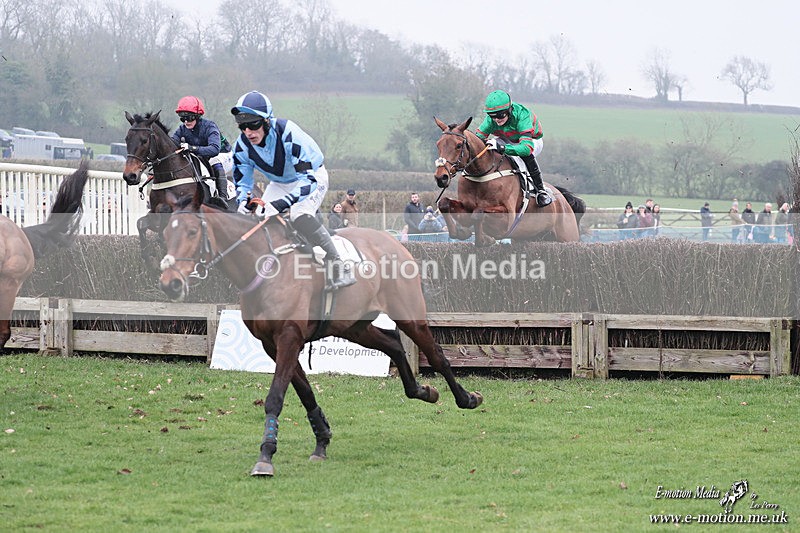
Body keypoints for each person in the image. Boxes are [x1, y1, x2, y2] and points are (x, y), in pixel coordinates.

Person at [230, 90, 354, 290]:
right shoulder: (241, 147)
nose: (248, 132)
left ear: (267, 121)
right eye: (242, 126)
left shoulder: (289, 133)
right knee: (257, 219)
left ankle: (340, 264)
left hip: (311, 177)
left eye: (253, 124)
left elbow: (307, 180)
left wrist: (280, 204)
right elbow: (243, 183)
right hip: (280, 183)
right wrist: (243, 201)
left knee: (298, 214)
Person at [475, 90, 551, 207]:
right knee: (491, 147)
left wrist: (503, 148)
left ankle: (540, 190)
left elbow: (526, 148)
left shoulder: (522, 115)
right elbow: (477, 140)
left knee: (521, 157)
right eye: (492, 116)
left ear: (509, 110)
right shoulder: (492, 118)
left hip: (531, 141)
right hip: (506, 138)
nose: (496, 119)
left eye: (500, 115)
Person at [171, 95, 231, 200]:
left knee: (214, 161)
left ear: (198, 116)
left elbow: (214, 150)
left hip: (223, 154)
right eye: (183, 118)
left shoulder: (210, 126)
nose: (186, 122)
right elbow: (171, 145)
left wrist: (191, 148)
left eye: (189, 118)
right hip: (202, 156)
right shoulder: (182, 129)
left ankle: (222, 198)